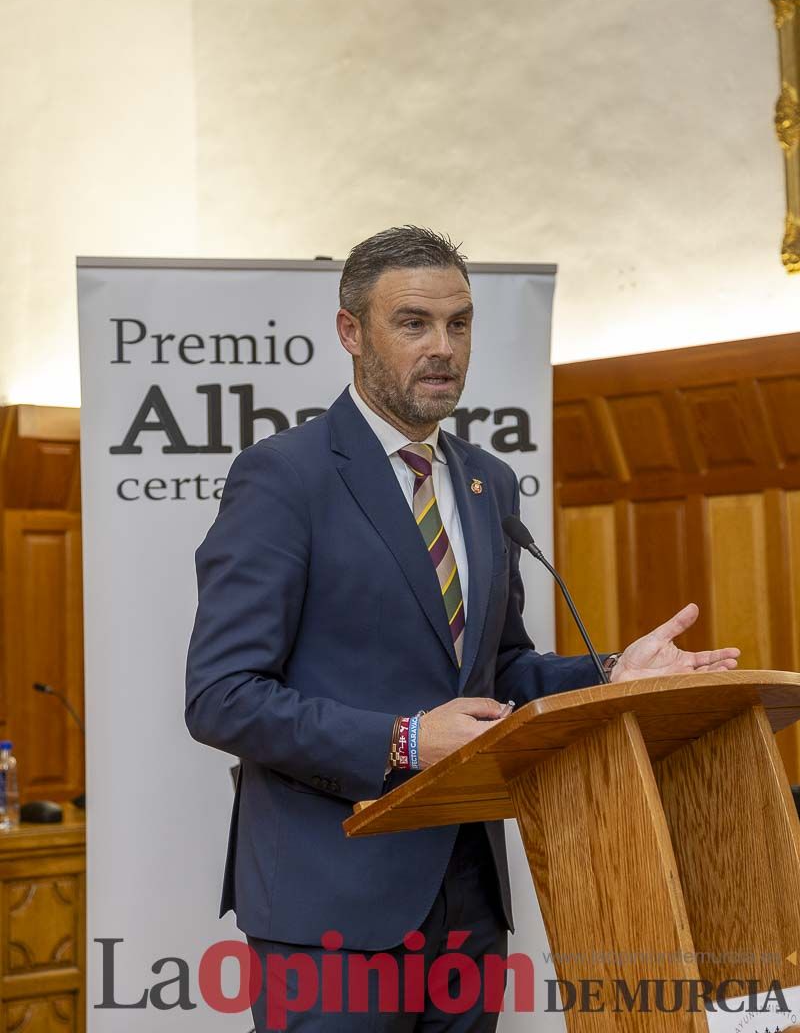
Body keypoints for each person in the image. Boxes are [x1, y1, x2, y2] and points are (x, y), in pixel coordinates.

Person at [184, 226, 740, 1030]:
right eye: (413, 323)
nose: (442, 347)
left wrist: (613, 672)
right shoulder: (285, 477)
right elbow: (221, 697)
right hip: (332, 907)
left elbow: (500, 671)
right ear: (351, 332)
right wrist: (404, 741)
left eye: (459, 323)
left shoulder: (488, 481)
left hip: (469, 891)